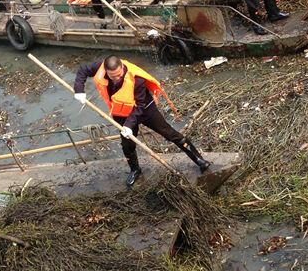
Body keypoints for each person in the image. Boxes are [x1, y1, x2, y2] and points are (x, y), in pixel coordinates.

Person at [74, 55, 210, 187]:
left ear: (122, 67)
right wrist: (79, 90)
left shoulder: (136, 78)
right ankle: (135, 170)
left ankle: (199, 160)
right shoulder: (100, 67)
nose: (116, 78)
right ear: (106, 70)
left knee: (169, 133)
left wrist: (129, 125)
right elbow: (82, 70)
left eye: (119, 75)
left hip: (144, 109)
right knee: (127, 145)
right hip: (121, 113)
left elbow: (139, 106)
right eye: (112, 76)